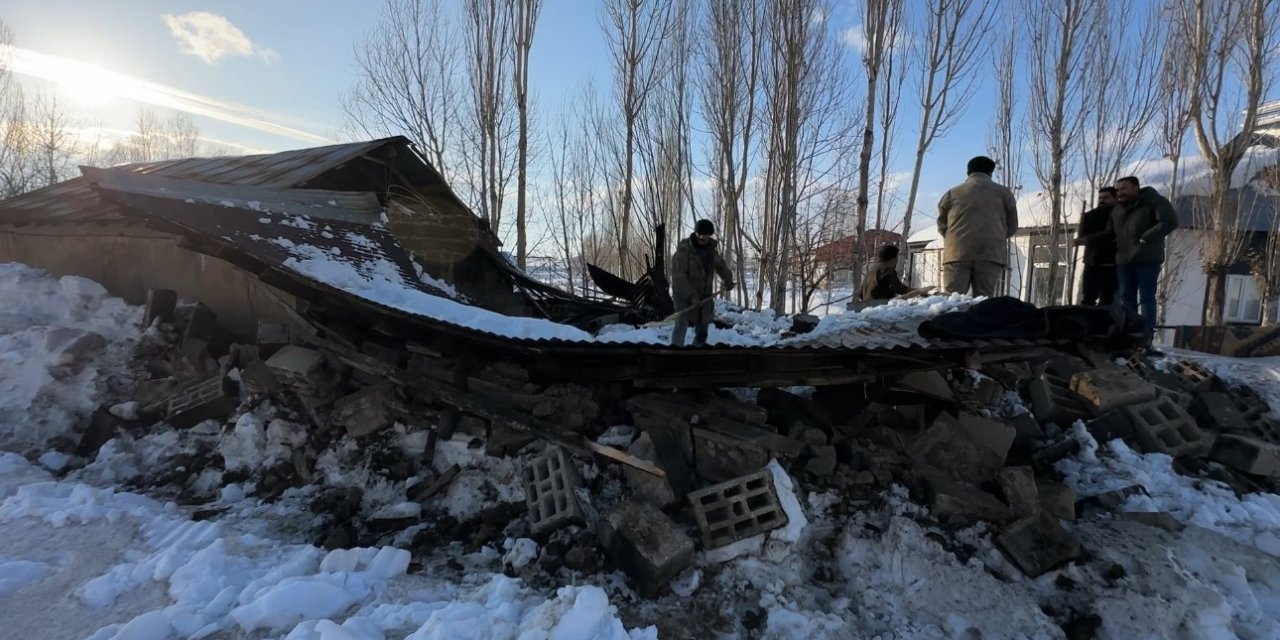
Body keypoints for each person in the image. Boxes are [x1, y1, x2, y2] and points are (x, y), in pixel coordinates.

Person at [1081, 176, 1178, 342]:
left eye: (1124, 189)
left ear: (1136, 187)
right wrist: (1088, 240)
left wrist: (1147, 237)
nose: (1120, 192)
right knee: (1126, 297)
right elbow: (1109, 234)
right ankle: (1129, 331)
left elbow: (1170, 221)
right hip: (1124, 260)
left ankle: (1146, 334)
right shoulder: (1118, 210)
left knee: (1147, 297)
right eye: (1118, 190)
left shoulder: (1154, 201)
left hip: (1147, 259)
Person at [936, 155, 1019, 297]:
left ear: (968, 172)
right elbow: (1012, 226)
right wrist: (995, 235)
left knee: (952, 301)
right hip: (990, 254)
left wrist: (956, 239)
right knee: (983, 303)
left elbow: (942, 225)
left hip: (956, 254)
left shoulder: (952, 193)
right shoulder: (1003, 193)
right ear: (990, 173)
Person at [670, 219, 735, 347]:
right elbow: (679, 277)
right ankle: (675, 353)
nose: (701, 237)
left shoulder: (711, 252)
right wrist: (692, 295)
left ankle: (697, 354)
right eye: (698, 233)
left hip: (704, 296)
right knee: (681, 325)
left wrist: (728, 280)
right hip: (683, 295)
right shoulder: (683, 252)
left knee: (703, 329)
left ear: (710, 235)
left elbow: (721, 266)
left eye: (704, 234)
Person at [1074, 187, 1119, 306]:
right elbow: (1083, 236)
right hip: (1093, 262)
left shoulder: (1120, 215)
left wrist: (1093, 239)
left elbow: (1113, 235)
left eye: (1106, 197)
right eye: (1100, 198)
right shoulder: (1089, 216)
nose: (1102, 200)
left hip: (1112, 263)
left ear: (1115, 198)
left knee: (1108, 299)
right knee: (1088, 298)